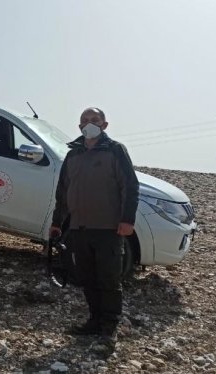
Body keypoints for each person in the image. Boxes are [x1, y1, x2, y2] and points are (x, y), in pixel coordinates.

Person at [49, 107, 139, 338]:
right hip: (79, 228)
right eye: (85, 120)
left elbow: (129, 186)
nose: (89, 123)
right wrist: (57, 222)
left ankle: (109, 326)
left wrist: (127, 220)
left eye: (94, 120)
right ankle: (94, 320)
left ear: (104, 125)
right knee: (86, 278)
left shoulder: (115, 151)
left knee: (108, 279)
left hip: (108, 229)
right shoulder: (73, 154)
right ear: (79, 126)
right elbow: (63, 192)